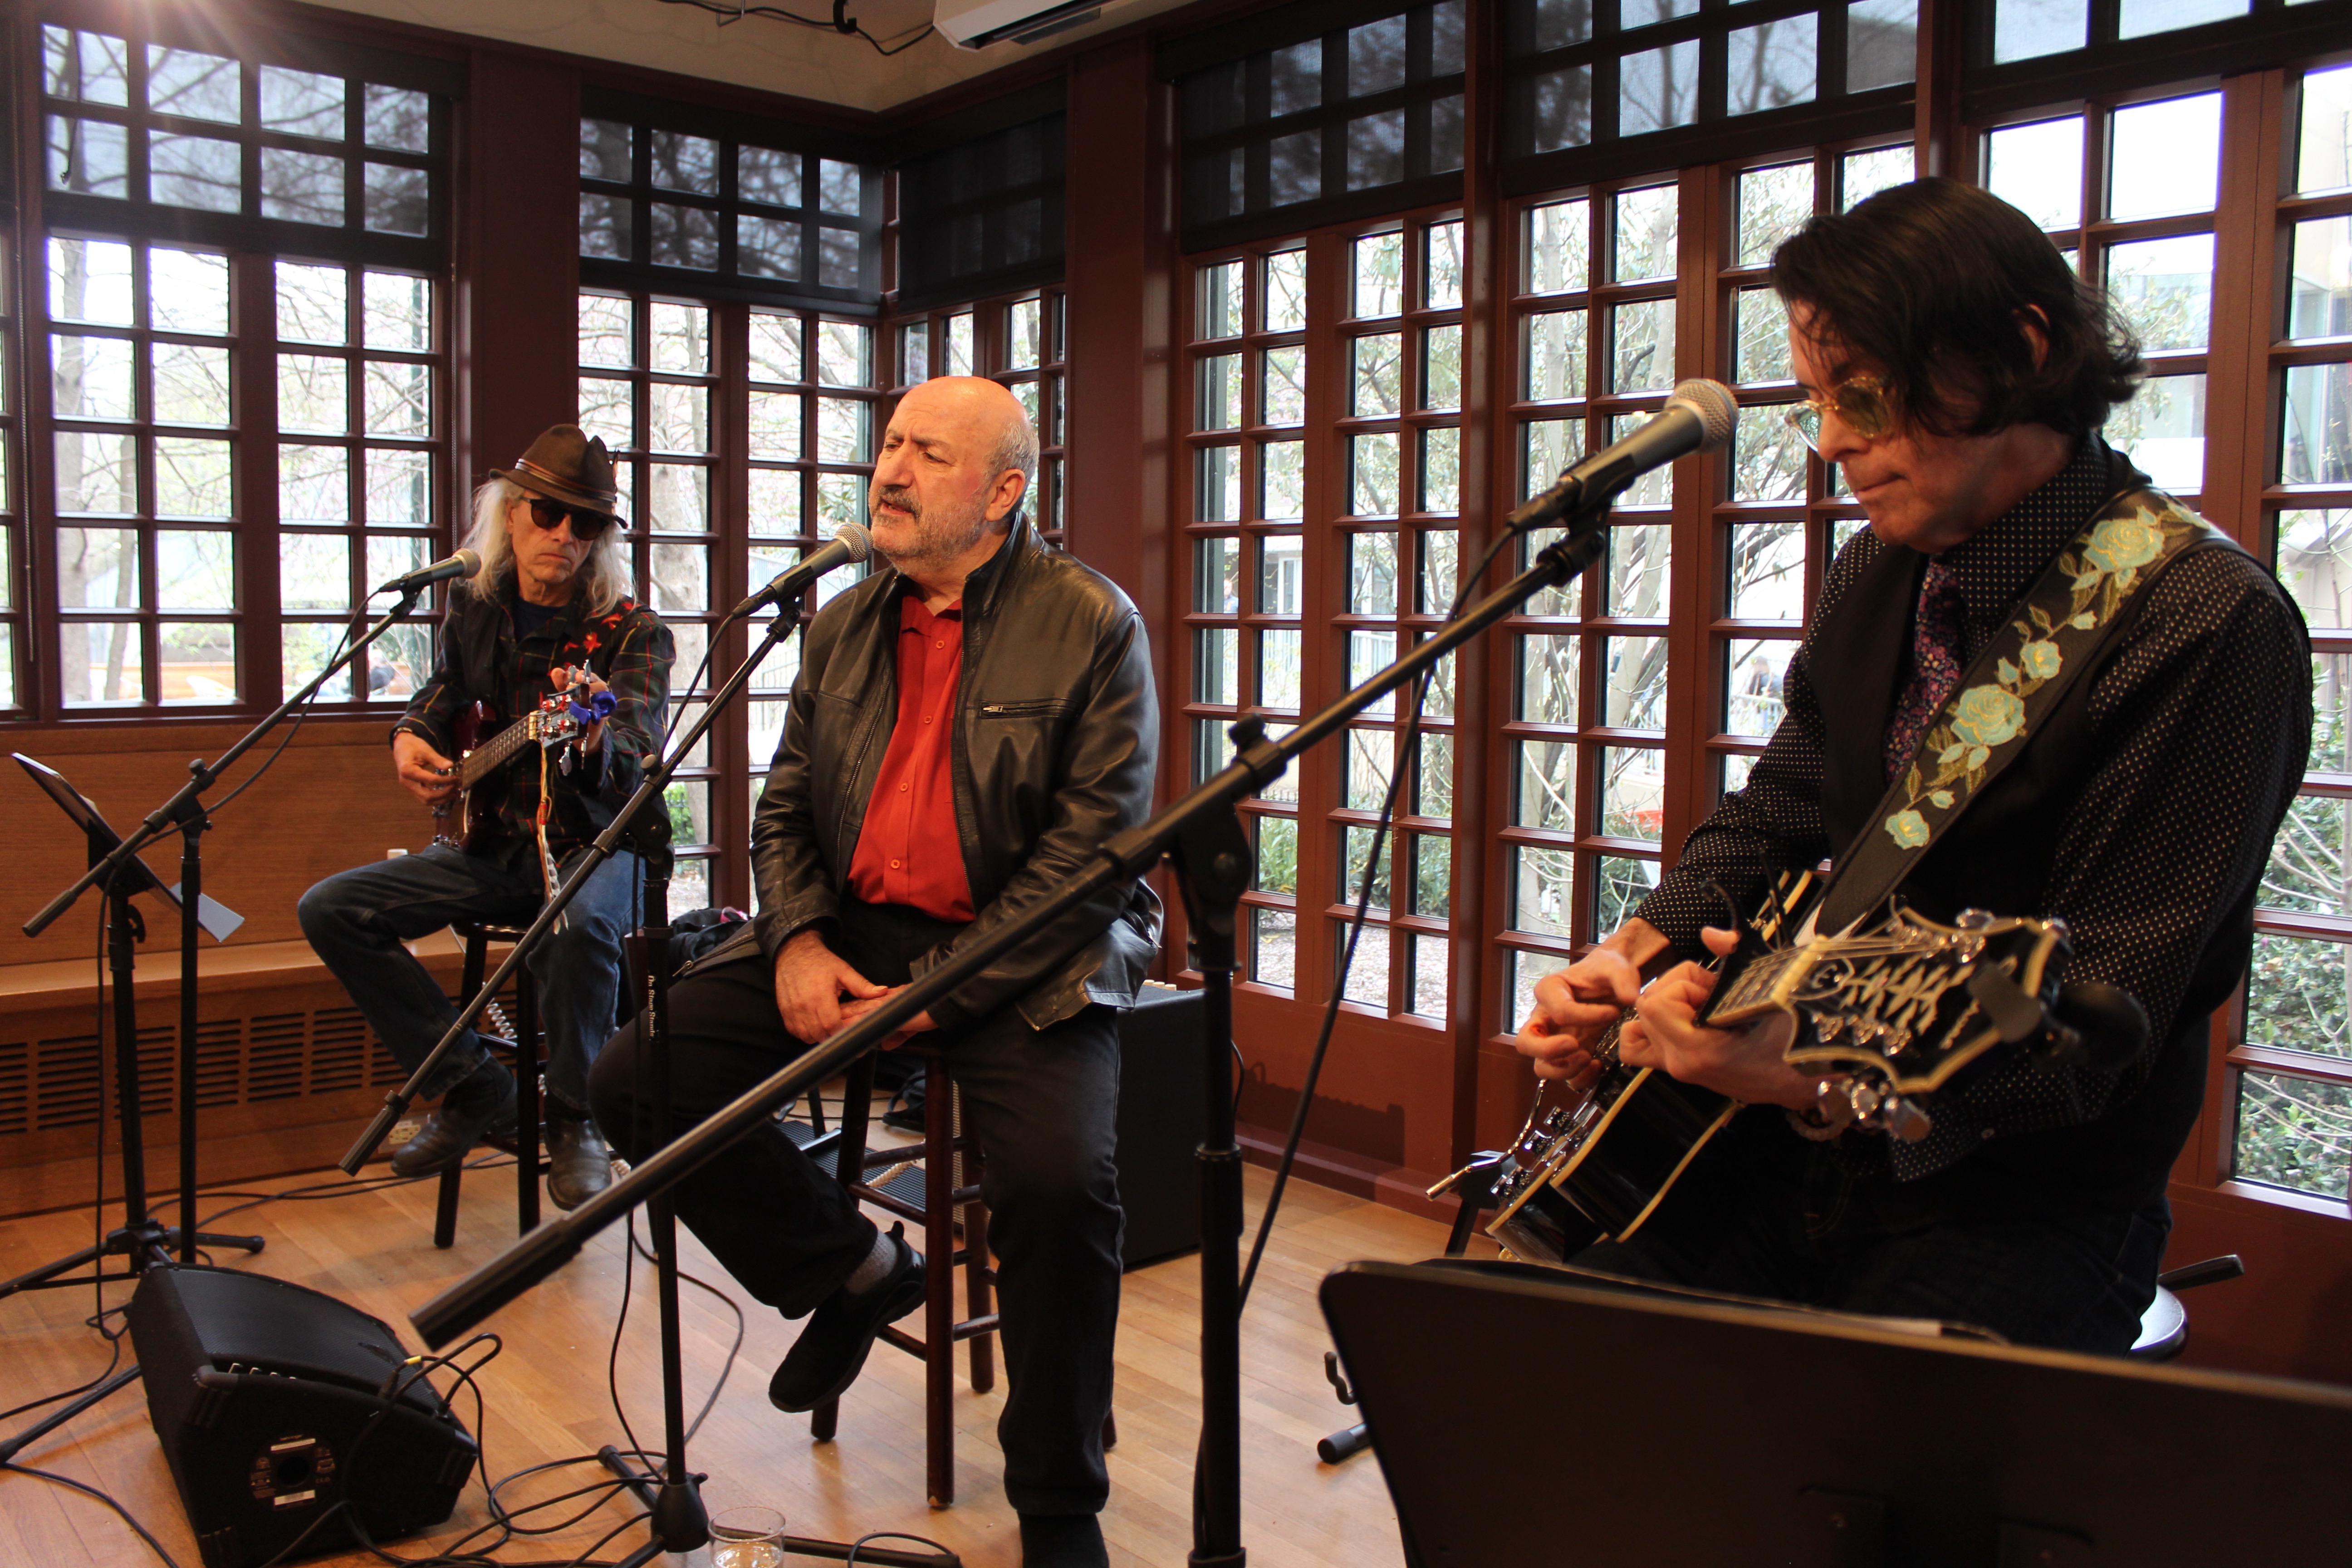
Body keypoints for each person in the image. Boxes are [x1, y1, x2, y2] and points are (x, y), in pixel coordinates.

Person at [1514, 178, 2311, 1353]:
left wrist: (1806, 1077)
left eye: (1863, 394)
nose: (1831, 438)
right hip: (1771, 1148)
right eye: (1815, 401)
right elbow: (1779, 811)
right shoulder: (1876, 573)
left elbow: (2099, 1016)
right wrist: (1635, 951)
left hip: (2020, 1201)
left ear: (2018, 350)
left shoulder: (2204, 623)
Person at [588, 377, 1159, 1568]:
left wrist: (943, 988)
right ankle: (851, 1269)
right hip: (851, 930)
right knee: (639, 1076)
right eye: (889, 444)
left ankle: (1059, 1499)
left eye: (926, 453)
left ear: (1003, 493)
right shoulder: (844, 622)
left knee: (1059, 1189)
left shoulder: (1091, 622)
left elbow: (1087, 860)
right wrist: (796, 943)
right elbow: (787, 806)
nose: (889, 470)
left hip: (1030, 952)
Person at [301, 426, 672, 1211]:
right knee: (333, 908)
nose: (565, 537)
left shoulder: (632, 632)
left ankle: (574, 1119)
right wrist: (410, 736)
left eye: (588, 525)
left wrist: (597, 733)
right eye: (548, 514)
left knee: (572, 926)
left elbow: (636, 752)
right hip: (496, 845)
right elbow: (443, 694)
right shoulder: (474, 604)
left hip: (597, 847)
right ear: (509, 514)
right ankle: (474, 1088)